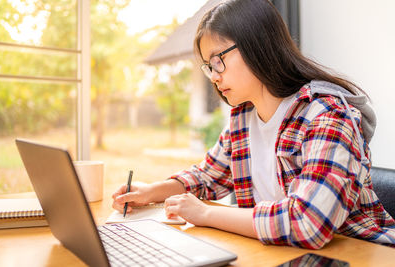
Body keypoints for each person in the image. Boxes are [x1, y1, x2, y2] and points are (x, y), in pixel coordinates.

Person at [113, 0, 395, 249]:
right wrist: (151, 191)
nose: (213, 76)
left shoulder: (328, 114)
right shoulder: (242, 118)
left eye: (217, 61)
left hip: (361, 253)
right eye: (208, 67)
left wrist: (206, 214)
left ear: (257, 45)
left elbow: (308, 223)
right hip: (282, 253)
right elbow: (208, 176)